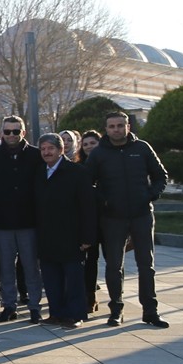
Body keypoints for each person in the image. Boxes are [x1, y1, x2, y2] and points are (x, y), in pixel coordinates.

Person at [86, 111, 170, 328]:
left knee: (146, 265)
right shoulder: (98, 154)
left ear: (128, 127)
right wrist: (104, 201)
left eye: (120, 125)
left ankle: (150, 311)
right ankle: (116, 310)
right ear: (106, 129)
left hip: (142, 215)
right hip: (112, 218)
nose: (116, 129)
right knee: (114, 265)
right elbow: (87, 183)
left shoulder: (142, 148)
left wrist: (150, 195)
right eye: (112, 126)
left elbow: (161, 176)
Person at [0, 115, 45, 324]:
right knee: (6, 266)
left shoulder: (35, 155)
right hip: (3, 219)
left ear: (23, 132)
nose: (11, 135)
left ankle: (34, 306)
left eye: (15, 131)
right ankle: (9, 305)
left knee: (31, 266)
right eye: (7, 131)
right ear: (2, 132)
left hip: (29, 219)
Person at [35, 133, 96, 329]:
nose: (46, 152)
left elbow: (88, 206)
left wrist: (87, 236)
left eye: (50, 148)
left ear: (61, 150)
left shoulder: (77, 172)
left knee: (73, 279)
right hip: (47, 235)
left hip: (72, 235)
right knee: (51, 278)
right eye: (43, 149)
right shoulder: (38, 173)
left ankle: (75, 314)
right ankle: (56, 313)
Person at [77, 130, 104, 314]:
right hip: (89, 219)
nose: (89, 147)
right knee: (90, 259)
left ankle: (116, 298)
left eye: (92, 143)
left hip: (108, 217)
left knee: (114, 261)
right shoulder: (79, 167)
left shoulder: (108, 163)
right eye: (85, 144)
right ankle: (89, 296)